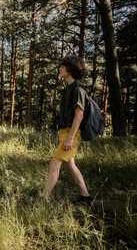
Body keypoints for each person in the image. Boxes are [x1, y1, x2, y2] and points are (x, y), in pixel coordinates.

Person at [41, 55, 93, 203]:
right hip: (66, 131)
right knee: (69, 164)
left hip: (73, 132)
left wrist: (70, 137)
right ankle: (85, 196)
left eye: (63, 67)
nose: (60, 69)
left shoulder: (78, 90)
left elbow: (79, 116)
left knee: (54, 163)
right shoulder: (70, 88)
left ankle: (43, 199)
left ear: (70, 70)